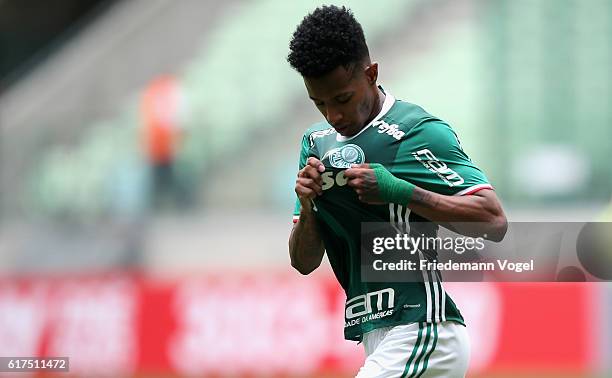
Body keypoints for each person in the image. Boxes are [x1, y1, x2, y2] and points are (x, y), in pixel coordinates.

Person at [287, 5, 507, 378]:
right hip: (376, 334)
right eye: (319, 103)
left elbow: (493, 219)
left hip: (425, 329)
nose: (333, 115)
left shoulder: (416, 131)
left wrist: (401, 191)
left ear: (371, 74)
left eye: (341, 98)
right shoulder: (316, 143)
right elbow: (303, 262)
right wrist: (309, 207)